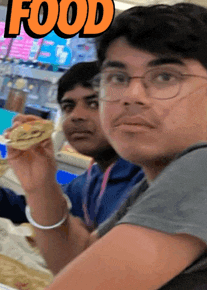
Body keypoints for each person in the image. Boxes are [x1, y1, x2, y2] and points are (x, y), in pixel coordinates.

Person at [6, 3, 207, 289]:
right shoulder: (152, 183)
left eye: (165, 77)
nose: (131, 96)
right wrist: (41, 184)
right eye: (117, 78)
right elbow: (76, 262)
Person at [1, 61, 145, 228]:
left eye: (94, 104)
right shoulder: (91, 179)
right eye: (68, 107)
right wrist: (40, 179)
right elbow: (33, 210)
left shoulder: (148, 183)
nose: (76, 116)